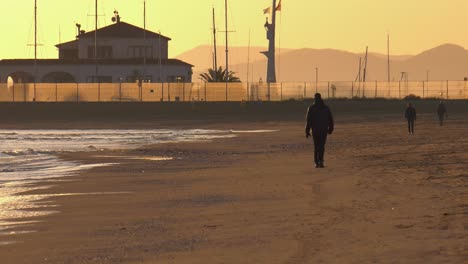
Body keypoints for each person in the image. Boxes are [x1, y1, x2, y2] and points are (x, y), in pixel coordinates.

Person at [305, 93, 334, 168]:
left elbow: (308, 121)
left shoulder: (311, 108)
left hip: (315, 130)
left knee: (316, 146)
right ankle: (320, 161)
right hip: (323, 130)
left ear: (314, 98)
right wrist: (331, 128)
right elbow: (330, 119)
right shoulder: (326, 108)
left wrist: (307, 131)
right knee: (321, 146)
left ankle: (317, 162)